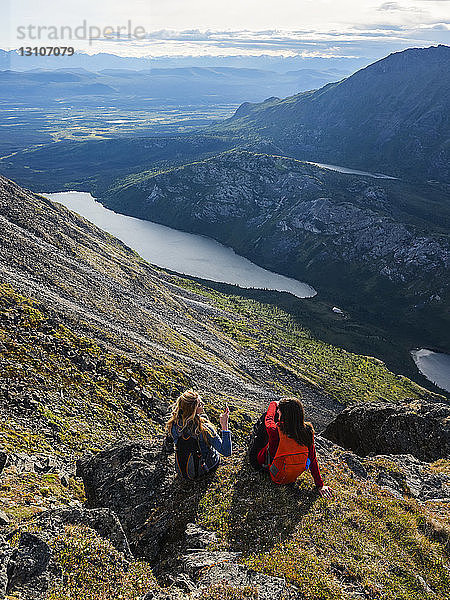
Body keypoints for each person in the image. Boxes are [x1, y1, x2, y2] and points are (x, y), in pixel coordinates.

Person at [253, 397, 332, 498]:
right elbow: (312, 459)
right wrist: (320, 485)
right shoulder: (307, 431)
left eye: (279, 411)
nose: (277, 411)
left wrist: (274, 403)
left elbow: (268, 419)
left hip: (271, 471)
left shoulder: (275, 430)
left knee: (263, 424)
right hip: (291, 475)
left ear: (285, 415)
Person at [166, 389, 232, 480]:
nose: (203, 404)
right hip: (205, 468)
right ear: (193, 410)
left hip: (181, 469)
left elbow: (169, 441)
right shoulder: (204, 429)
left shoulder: (173, 423)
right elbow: (226, 452)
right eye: (200, 404)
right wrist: (224, 426)